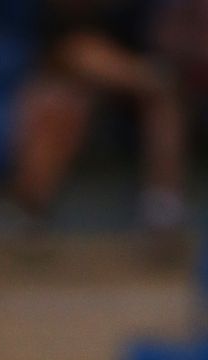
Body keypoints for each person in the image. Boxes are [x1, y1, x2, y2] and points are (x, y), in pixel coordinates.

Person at [11, 0, 187, 231]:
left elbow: (169, 38)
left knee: (163, 101)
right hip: (78, 75)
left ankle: (162, 208)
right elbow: (70, 44)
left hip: (138, 84)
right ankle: (28, 212)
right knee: (59, 100)